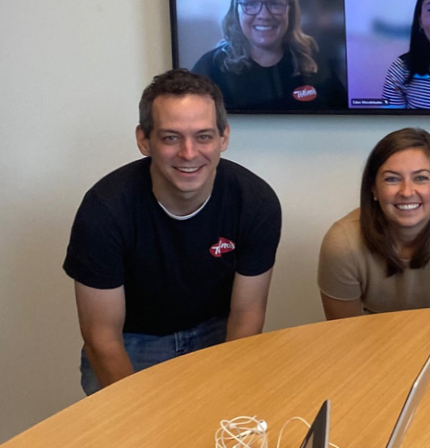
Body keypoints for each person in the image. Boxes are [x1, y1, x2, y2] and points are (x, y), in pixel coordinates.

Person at [63, 70, 282, 394]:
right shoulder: (104, 212)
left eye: (203, 136)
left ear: (224, 137)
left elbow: (247, 316)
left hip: (217, 331)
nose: (189, 153)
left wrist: (228, 395)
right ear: (143, 140)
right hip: (131, 340)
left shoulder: (255, 202)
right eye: (171, 137)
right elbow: (102, 337)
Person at [318, 128, 430, 318]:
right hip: (372, 337)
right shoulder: (342, 243)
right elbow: (345, 333)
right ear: (373, 188)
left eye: (421, 178)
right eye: (392, 179)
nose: (407, 192)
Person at [191, 0, 345, 110]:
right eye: (251, 4)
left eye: (274, 3)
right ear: (235, 10)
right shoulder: (210, 68)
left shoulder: (316, 60)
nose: (264, 15)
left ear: (290, 10)